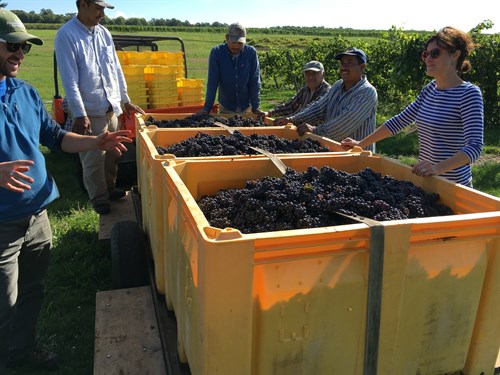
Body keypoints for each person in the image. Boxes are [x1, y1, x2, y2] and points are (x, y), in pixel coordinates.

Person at [0, 9, 132, 372]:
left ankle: (22, 351)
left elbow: (56, 139)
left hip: (37, 214)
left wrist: (96, 142)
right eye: (12, 46)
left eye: (24, 48)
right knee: (3, 302)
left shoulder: (24, 93)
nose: (20, 54)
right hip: (3, 223)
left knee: (32, 291)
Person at [341, 27, 483, 187]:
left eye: (435, 53)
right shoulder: (430, 89)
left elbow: (475, 147)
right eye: (425, 54)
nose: (428, 58)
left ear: (455, 54)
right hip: (427, 181)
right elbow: (399, 121)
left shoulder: (468, 94)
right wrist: (360, 143)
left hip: (454, 186)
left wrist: (437, 168)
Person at [54, 0, 145, 215]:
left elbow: (115, 68)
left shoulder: (103, 33)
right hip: (90, 109)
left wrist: (124, 99)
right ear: (82, 4)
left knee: (112, 154)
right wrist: (79, 112)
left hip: (110, 106)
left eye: (104, 9)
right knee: (93, 159)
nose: (102, 13)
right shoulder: (66, 35)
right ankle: (99, 198)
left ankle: (110, 189)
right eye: (98, 8)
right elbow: (69, 79)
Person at [275, 47, 377, 151]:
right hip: (334, 151)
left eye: (350, 63)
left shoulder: (366, 92)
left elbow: (344, 124)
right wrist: (292, 119)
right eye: (342, 63)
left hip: (358, 157)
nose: (344, 67)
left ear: (362, 67)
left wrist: (315, 130)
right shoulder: (338, 86)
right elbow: (319, 108)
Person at [197, 23, 264, 116]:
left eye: (240, 43)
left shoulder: (251, 53)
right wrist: (207, 108)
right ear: (227, 38)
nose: (236, 46)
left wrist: (256, 107)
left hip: (247, 107)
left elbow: (254, 81)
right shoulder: (217, 53)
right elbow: (213, 82)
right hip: (226, 107)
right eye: (233, 42)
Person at [263, 60, 331, 124]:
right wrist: (269, 113)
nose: (310, 77)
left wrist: (289, 119)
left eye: (315, 73)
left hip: (317, 132)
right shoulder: (305, 90)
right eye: (307, 74)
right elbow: (290, 106)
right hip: (301, 129)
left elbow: (311, 112)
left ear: (323, 74)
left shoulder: (327, 92)